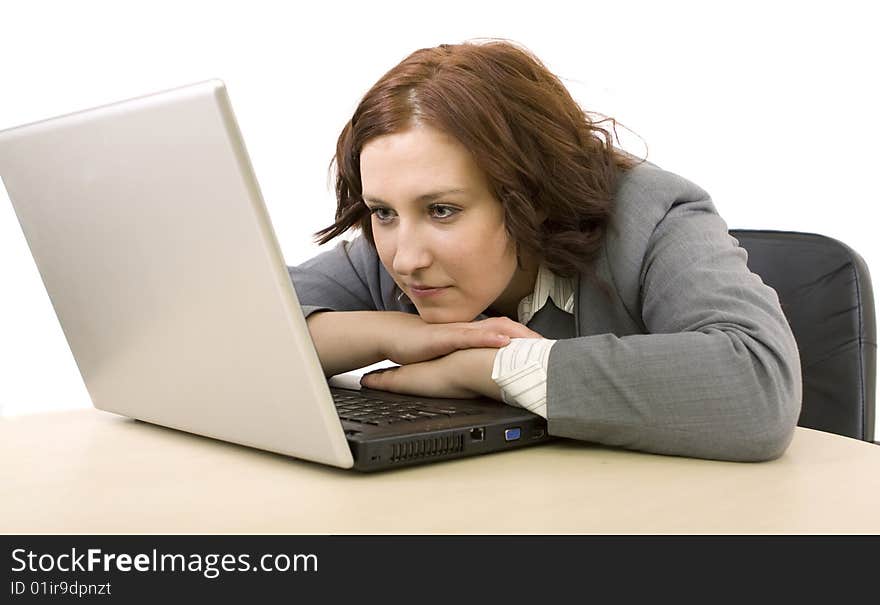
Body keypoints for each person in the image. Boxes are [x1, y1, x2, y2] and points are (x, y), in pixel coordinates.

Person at [289, 39, 802, 462]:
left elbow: (758, 382)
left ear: (531, 195)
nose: (405, 259)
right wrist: (396, 335)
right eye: (383, 212)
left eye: (442, 210)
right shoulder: (390, 254)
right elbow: (231, 326)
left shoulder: (654, 214)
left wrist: (489, 369)